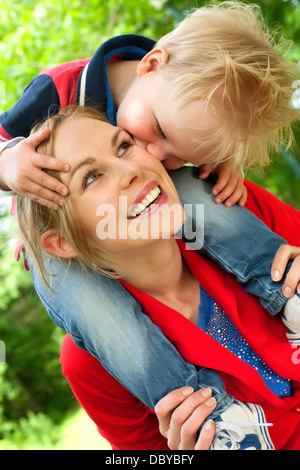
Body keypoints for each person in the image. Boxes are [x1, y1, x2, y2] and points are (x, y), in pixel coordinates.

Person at [1, 1, 300, 439]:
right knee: (98, 314)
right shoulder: (58, 87)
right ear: (151, 64)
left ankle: (287, 292)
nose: (150, 158)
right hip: (48, 236)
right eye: (92, 177)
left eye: (125, 145)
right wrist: (8, 164)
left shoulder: (233, 205)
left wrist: (221, 159)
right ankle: (213, 420)